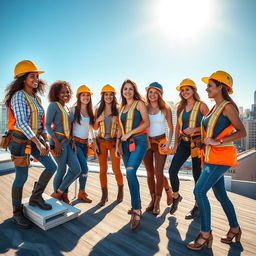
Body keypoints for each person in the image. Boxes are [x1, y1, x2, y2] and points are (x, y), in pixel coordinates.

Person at [187, 71, 246, 250]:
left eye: (210, 86)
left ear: (221, 87)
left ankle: (205, 234)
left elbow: (242, 132)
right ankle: (235, 229)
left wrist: (216, 141)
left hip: (220, 158)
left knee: (199, 192)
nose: (206, 89)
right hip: (211, 157)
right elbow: (211, 129)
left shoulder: (228, 107)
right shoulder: (215, 106)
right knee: (221, 195)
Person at [3, 60, 57, 229]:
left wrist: (45, 141)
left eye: (36, 76)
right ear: (23, 78)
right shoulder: (18, 96)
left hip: (33, 138)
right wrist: (38, 143)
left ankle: (35, 197)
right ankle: (16, 214)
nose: (35, 79)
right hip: (19, 141)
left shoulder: (36, 98)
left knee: (51, 166)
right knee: (22, 177)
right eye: (32, 76)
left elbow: (40, 124)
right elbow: (21, 123)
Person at [169, 79, 209, 219]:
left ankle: (197, 206)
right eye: (182, 90)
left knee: (197, 176)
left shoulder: (202, 106)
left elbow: (210, 125)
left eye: (187, 89)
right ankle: (176, 196)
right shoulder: (180, 106)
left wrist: (195, 128)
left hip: (197, 144)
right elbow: (177, 127)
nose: (184, 92)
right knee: (172, 170)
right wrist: (174, 145)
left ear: (194, 91)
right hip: (184, 144)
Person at [116, 79, 150, 230]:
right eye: (125, 89)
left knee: (130, 171)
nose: (127, 91)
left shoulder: (139, 104)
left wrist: (130, 133)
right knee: (130, 175)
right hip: (125, 144)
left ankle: (136, 210)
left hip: (139, 141)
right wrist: (118, 145)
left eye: (130, 89)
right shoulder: (122, 107)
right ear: (122, 91)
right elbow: (119, 129)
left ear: (134, 90)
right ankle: (136, 205)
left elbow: (146, 123)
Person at [46, 80, 81, 204]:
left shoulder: (67, 108)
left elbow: (70, 127)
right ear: (56, 93)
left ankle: (58, 193)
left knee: (77, 169)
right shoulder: (53, 105)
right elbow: (47, 125)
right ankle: (60, 198)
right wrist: (56, 142)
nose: (65, 94)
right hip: (57, 142)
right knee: (61, 169)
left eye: (67, 92)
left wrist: (72, 141)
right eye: (62, 92)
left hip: (67, 142)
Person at [143, 82, 173, 215]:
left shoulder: (166, 108)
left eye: (156, 92)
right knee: (150, 173)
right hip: (146, 143)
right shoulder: (143, 107)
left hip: (161, 142)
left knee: (158, 172)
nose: (153, 95)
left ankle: (157, 202)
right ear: (147, 93)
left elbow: (171, 127)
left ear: (160, 94)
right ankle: (154, 198)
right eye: (150, 92)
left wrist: (168, 143)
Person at [94, 84, 124, 206]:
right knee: (103, 170)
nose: (108, 97)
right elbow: (95, 127)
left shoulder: (119, 110)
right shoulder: (98, 110)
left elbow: (121, 129)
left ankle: (120, 191)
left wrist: (116, 121)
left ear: (114, 96)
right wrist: (98, 120)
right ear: (103, 96)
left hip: (113, 143)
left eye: (111, 94)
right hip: (101, 142)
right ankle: (104, 196)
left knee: (116, 169)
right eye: (106, 94)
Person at [69, 85, 95, 203]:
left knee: (83, 170)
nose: (86, 97)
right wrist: (72, 141)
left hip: (85, 144)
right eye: (83, 95)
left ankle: (81, 193)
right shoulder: (73, 110)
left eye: (88, 95)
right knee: (83, 168)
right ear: (79, 97)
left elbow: (91, 129)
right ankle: (63, 192)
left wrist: (93, 141)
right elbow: (68, 127)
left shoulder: (90, 111)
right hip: (76, 143)